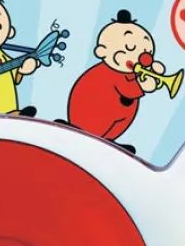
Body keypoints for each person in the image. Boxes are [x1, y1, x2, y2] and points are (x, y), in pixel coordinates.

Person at [65, 10, 167, 149]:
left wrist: (154, 76)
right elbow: (129, 91)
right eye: (130, 47)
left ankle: (107, 140)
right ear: (102, 51)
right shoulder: (108, 73)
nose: (140, 57)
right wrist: (146, 84)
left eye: (146, 51)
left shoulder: (130, 74)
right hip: (91, 121)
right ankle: (93, 135)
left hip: (108, 129)